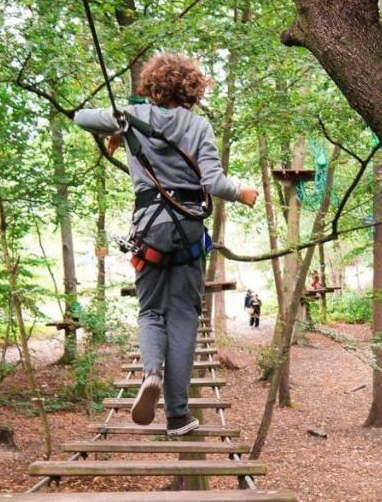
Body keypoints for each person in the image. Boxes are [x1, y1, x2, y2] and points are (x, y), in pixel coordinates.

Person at [74, 53, 258, 436]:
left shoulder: (131, 118)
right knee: (184, 318)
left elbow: (80, 117)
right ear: (191, 89)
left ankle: (151, 372)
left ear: (152, 86)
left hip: (150, 229)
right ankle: (177, 416)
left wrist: (120, 120)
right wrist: (243, 192)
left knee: (151, 313)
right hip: (189, 231)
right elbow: (214, 183)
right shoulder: (199, 126)